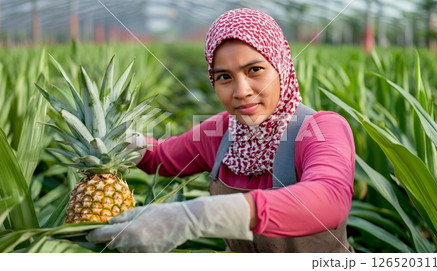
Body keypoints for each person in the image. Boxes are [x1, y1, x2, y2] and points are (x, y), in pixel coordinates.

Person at [87, 8, 355, 253]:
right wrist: (117, 142)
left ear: (281, 66)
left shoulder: (319, 128)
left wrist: (196, 216)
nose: (242, 92)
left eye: (255, 70)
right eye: (224, 77)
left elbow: (330, 198)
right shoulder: (221, 131)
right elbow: (161, 159)